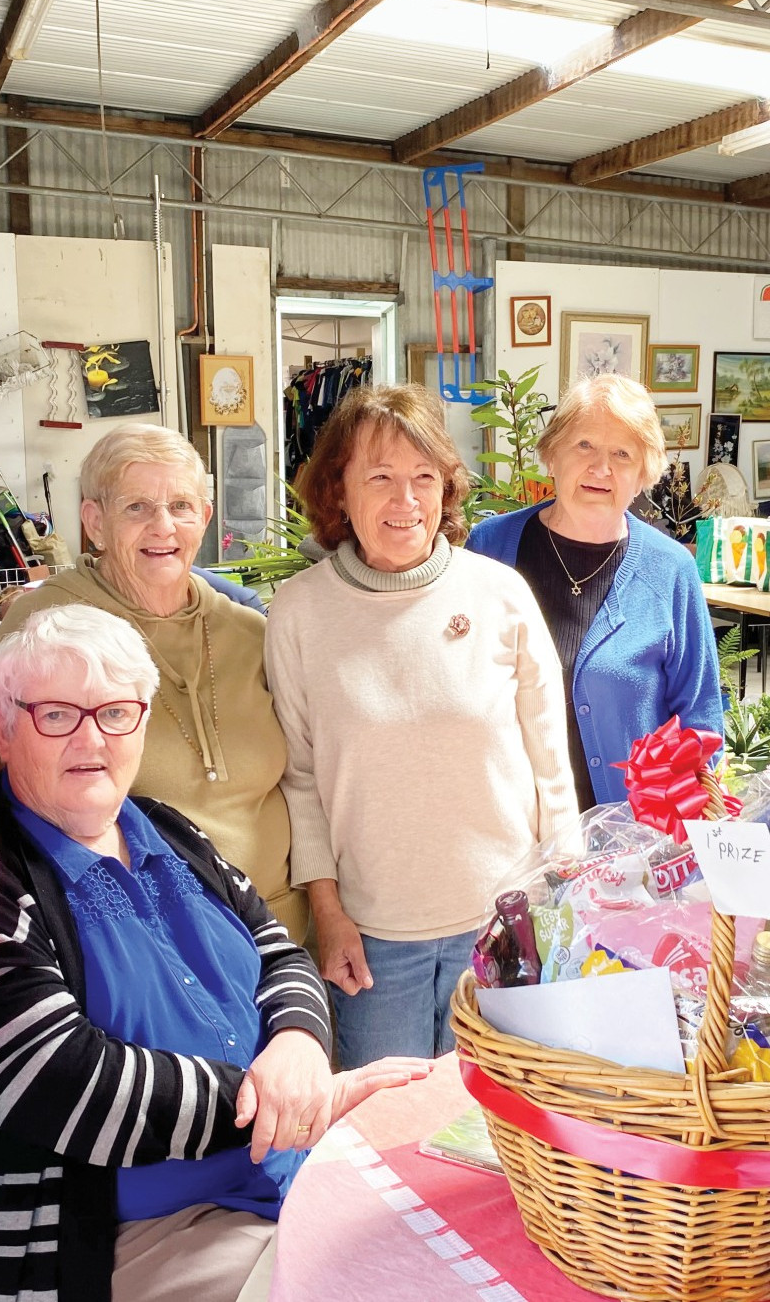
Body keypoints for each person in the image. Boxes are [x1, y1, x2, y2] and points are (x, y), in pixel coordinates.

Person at [0, 605, 428, 1301]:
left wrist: (297, 1044)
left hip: (272, 1182)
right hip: (109, 1239)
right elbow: (63, 1081)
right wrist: (291, 1102)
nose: (93, 737)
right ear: (4, 725)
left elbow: (279, 955)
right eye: (57, 714)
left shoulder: (165, 830)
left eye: (116, 712)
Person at [267, 384, 578, 1067]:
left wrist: (562, 900)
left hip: (504, 924)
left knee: (495, 1137)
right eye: (380, 477)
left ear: (446, 489)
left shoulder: (500, 595)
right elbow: (298, 779)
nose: (405, 499)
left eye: (423, 478)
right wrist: (329, 913)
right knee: (383, 1136)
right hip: (373, 944)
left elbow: (552, 765)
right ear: (338, 492)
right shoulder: (299, 611)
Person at [0, 423, 303, 940]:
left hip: (282, 935)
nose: (163, 527)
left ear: (205, 518)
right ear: (95, 522)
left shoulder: (249, 631)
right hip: (135, 944)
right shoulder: (46, 623)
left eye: (181, 506)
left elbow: (304, 785)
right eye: (136, 507)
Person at [468, 374, 723, 809]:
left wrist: (671, 822)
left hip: (627, 841)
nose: (600, 469)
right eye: (583, 445)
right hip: (507, 828)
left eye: (622, 454)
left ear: (644, 473)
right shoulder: (489, 548)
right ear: (552, 455)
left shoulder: (671, 570)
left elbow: (699, 719)